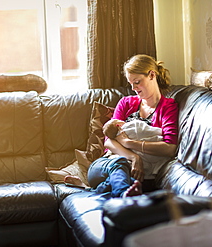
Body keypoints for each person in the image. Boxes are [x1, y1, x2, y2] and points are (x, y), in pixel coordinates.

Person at [65, 54, 179, 197]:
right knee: (119, 164)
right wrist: (134, 158)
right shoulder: (126, 103)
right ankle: (124, 196)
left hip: (139, 174)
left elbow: (169, 149)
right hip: (106, 165)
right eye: (130, 83)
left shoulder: (168, 107)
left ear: (151, 75)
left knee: (131, 181)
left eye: (137, 82)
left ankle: (92, 190)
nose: (133, 88)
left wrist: (129, 142)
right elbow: (108, 141)